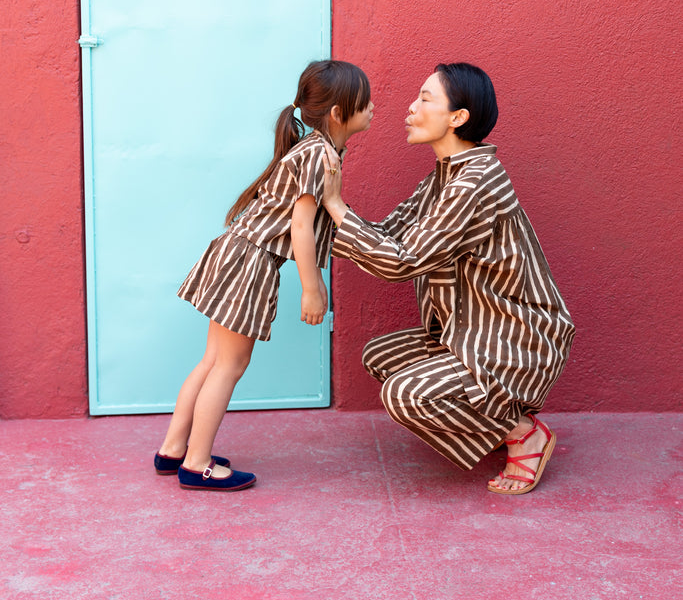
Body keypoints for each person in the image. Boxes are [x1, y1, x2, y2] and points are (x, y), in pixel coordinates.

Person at [322, 62, 575, 495]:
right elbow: (387, 236)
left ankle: (522, 433)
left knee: (405, 394)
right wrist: (310, 223)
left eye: (424, 98)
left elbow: (402, 261)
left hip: (513, 339)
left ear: (457, 117)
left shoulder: (472, 182)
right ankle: (495, 423)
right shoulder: (443, 177)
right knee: (379, 356)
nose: (410, 108)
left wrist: (337, 206)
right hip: (466, 334)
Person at [155, 60, 373, 491]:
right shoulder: (321, 154)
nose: (372, 107)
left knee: (213, 361)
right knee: (229, 366)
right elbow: (300, 227)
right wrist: (313, 289)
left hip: (235, 250)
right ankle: (197, 463)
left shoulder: (315, 149)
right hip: (251, 262)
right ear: (337, 112)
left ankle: (174, 449)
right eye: (364, 101)